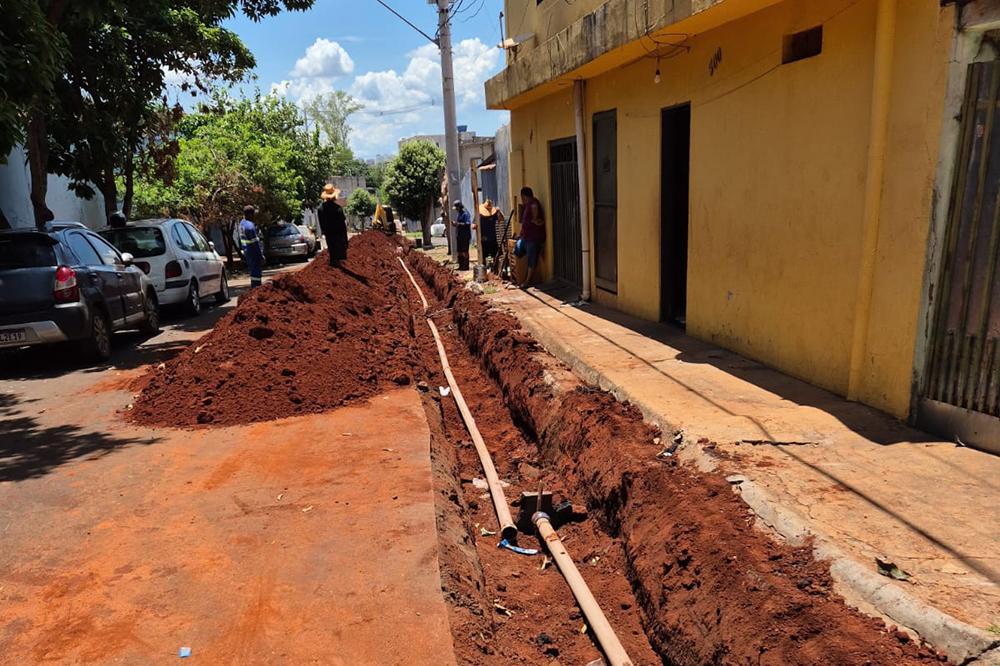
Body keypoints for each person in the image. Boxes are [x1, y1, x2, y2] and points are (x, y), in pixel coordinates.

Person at [514, 186, 545, 287]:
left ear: (525, 196)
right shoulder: (527, 205)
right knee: (517, 249)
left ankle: (528, 281)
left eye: (522, 197)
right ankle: (519, 275)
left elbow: (537, 219)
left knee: (532, 258)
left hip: (533, 237)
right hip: (525, 237)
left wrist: (535, 220)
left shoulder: (533, 204)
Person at [318, 183, 348, 266]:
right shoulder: (338, 208)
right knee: (338, 251)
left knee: (332, 250)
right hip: (338, 234)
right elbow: (342, 224)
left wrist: (324, 232)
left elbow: (322, 224)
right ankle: (337, 262)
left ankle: (333, 261)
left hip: (329, 234)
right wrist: (345, 239)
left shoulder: (320, 209)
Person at [239, 205, 265, 288]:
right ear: (250, 214)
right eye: (253, 214)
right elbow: (255, 244)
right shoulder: (250, 226)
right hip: (253, 252)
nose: (254, 216)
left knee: (252, 271)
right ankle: (256, 288)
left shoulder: (241, 224)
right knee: (256, 272)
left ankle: (255, 287)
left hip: (247, 251)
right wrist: (261, 256)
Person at [477, 199, 503, 264]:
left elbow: (501, 219)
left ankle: (495, 269)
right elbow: (474, 224)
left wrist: (499, 212)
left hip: (493, 237)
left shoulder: (494, 214)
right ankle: (484, 269)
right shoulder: (480, 215)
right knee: (483, 256)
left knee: (496, 255)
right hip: (484, 238)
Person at [453, 200, 472, 270]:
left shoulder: (465, 214)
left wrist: (458, 224)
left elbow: (468, 223)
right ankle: (461, 265)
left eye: (457, 208)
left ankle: (466, 266)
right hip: (459, 235)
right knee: (459, 251)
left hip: (465, 236)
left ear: (459, 207)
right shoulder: (459, 214)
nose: (456, 210)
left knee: (465, 251)